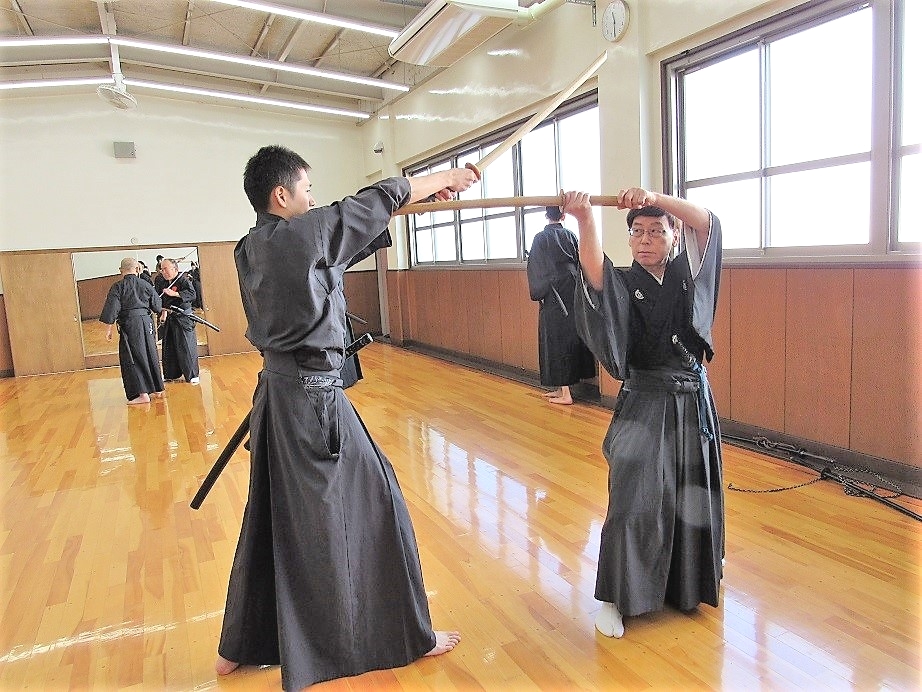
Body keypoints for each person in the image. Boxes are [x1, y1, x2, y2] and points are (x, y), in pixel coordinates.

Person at [215, 144, 479, 690]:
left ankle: (240, 646)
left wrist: (422, 199)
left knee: (273, 516)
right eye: (306, 190)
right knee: (378, 503)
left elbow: (340, 243)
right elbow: (366, 204)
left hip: (283, 400)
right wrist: (444, 176)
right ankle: (407, 635)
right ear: (281, 195)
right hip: (313, 404)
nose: (312, 200)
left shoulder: (254, 247)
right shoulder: (301, 235)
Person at [561, 187, 724, 639]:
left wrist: (657, 198)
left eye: (657, 231)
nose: (646, 239)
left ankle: (683, 585)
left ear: (674, 237)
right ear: (629, 240)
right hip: (646, 401)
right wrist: (586, 219)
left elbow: (708, 223)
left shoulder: (687, 276)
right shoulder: (625, 283)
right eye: (638, 232)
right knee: (635, 499)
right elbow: (595, 277)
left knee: (692, 495)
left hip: (692, 401)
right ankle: (614, 597)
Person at [526, 205, 596, 405]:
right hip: (572, 289)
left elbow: (536, 267)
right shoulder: (571, 235)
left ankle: (566, 393)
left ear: (546, 215)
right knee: (568, 336)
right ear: (563, 215)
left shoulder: (540, 238)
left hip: (553, 291)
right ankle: (561, 388)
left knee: (557, 339)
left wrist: (540, 289)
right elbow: (580, 260)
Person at [99, 257, 165, 404]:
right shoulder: (146, 284)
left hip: (130, 324)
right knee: (150, 353)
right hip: (147, 322)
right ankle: (157, 388)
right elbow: (157, 306)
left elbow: (112, 308)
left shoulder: (118, 286)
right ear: (137, 269)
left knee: (133, 357)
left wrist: (108, 328)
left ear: (121, 271)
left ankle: (142, 394)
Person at [155, 258, 200, 384]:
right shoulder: (161, 281)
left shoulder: (183, 280)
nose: (162, 271)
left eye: (165, 268)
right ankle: (171, 374)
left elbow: (192, 295)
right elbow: (161, 300)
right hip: (170, 317)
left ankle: (192, 375)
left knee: (186, 346)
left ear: (175, 268)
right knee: (169, 346)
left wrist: (174, 294)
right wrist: (163, 313)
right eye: (161, 269)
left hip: (183, 318)